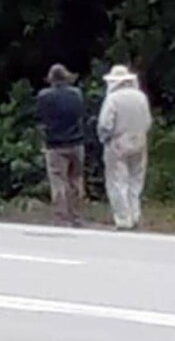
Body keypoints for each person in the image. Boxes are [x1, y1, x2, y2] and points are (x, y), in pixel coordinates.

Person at [97, 64, 152, 230]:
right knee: (136, 180)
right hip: (139, 140)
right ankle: (135, 215)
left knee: (117, 181)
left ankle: (123, 219)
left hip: (117, 142)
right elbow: (148, 121)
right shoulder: (141, 97)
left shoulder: (113, 99)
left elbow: (105, 123)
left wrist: (104, 138)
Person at [37, 64, 86, 225]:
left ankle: (61, 216)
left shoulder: (44, 96)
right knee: (76, 180)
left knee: (58, 180)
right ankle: (77, 215)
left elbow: (41, 120)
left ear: (51, 79)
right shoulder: (77, 94)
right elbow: (81, 116)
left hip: (55, 144)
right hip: (76, 142)